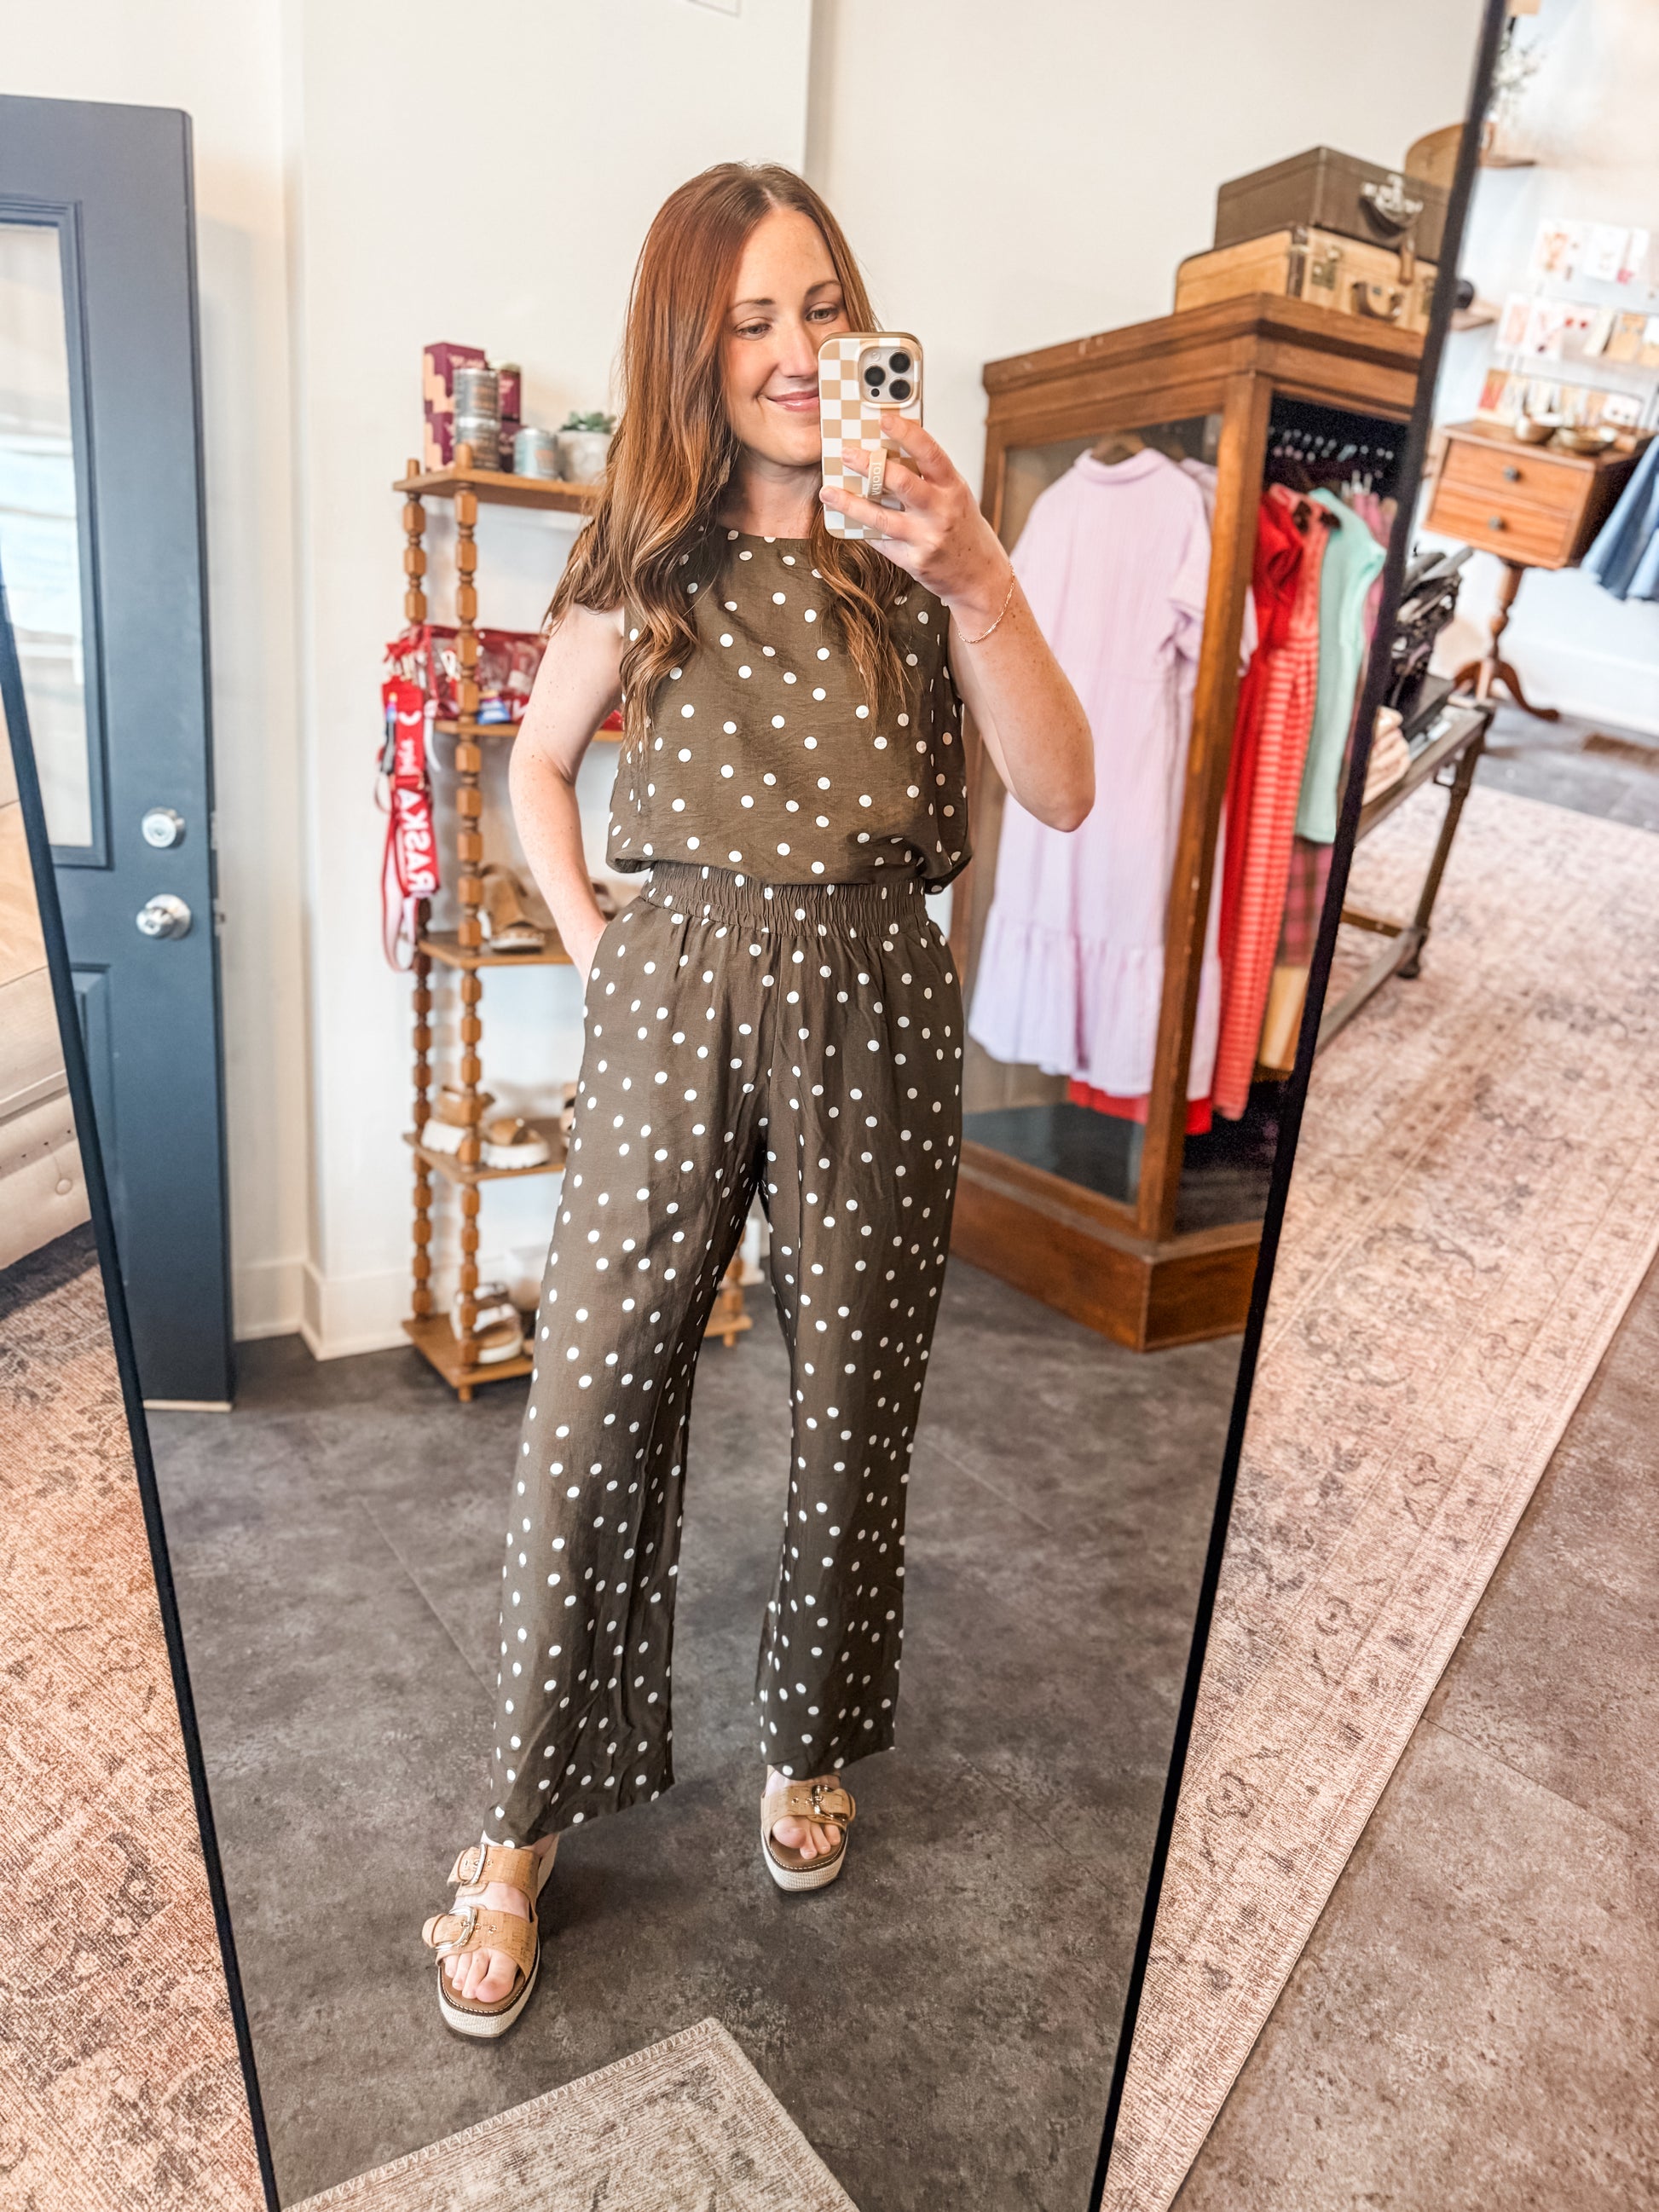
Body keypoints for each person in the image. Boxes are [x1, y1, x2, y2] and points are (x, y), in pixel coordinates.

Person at [421, 161, 1093, 2036]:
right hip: (679, 984)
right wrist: (593, 934)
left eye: (822, 308)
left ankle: (808, 1734)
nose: (798, 352)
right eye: (751, 322)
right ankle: (516, 1819)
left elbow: (1060, 788)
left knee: (856, 1394)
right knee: (592, 1396)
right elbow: (536, 765)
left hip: (875, 986)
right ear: (692, 351)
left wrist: (975, 574)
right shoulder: (643, 548)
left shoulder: (929, 541)